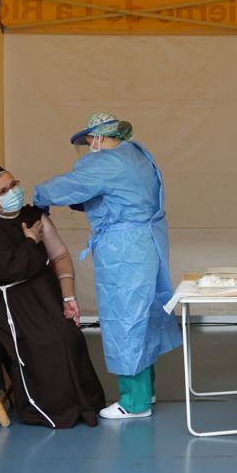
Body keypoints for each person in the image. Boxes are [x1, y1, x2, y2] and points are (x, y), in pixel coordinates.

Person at [33, 112, 181, 420]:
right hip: (148, 242)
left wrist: (39, 195)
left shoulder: (105, 162)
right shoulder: (138, 154)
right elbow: (119, 194)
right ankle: (146, 390)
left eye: (89, 142)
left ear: (100, 137)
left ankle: (134, 402)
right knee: (144, 316)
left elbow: (69, 186)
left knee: (125, 319)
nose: (89, 148)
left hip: (124, 249)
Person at [0, 167, 105, 428]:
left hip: (37, 294)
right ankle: (48, 408)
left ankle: (84, 403)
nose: (11, 193)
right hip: (1, 302)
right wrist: (29, 241)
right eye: (2, 191)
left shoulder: (33, 216)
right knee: (47, 342)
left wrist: (68, 295)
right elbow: (9, 271)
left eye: (13, 185)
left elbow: (59, 255)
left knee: (70, 336)